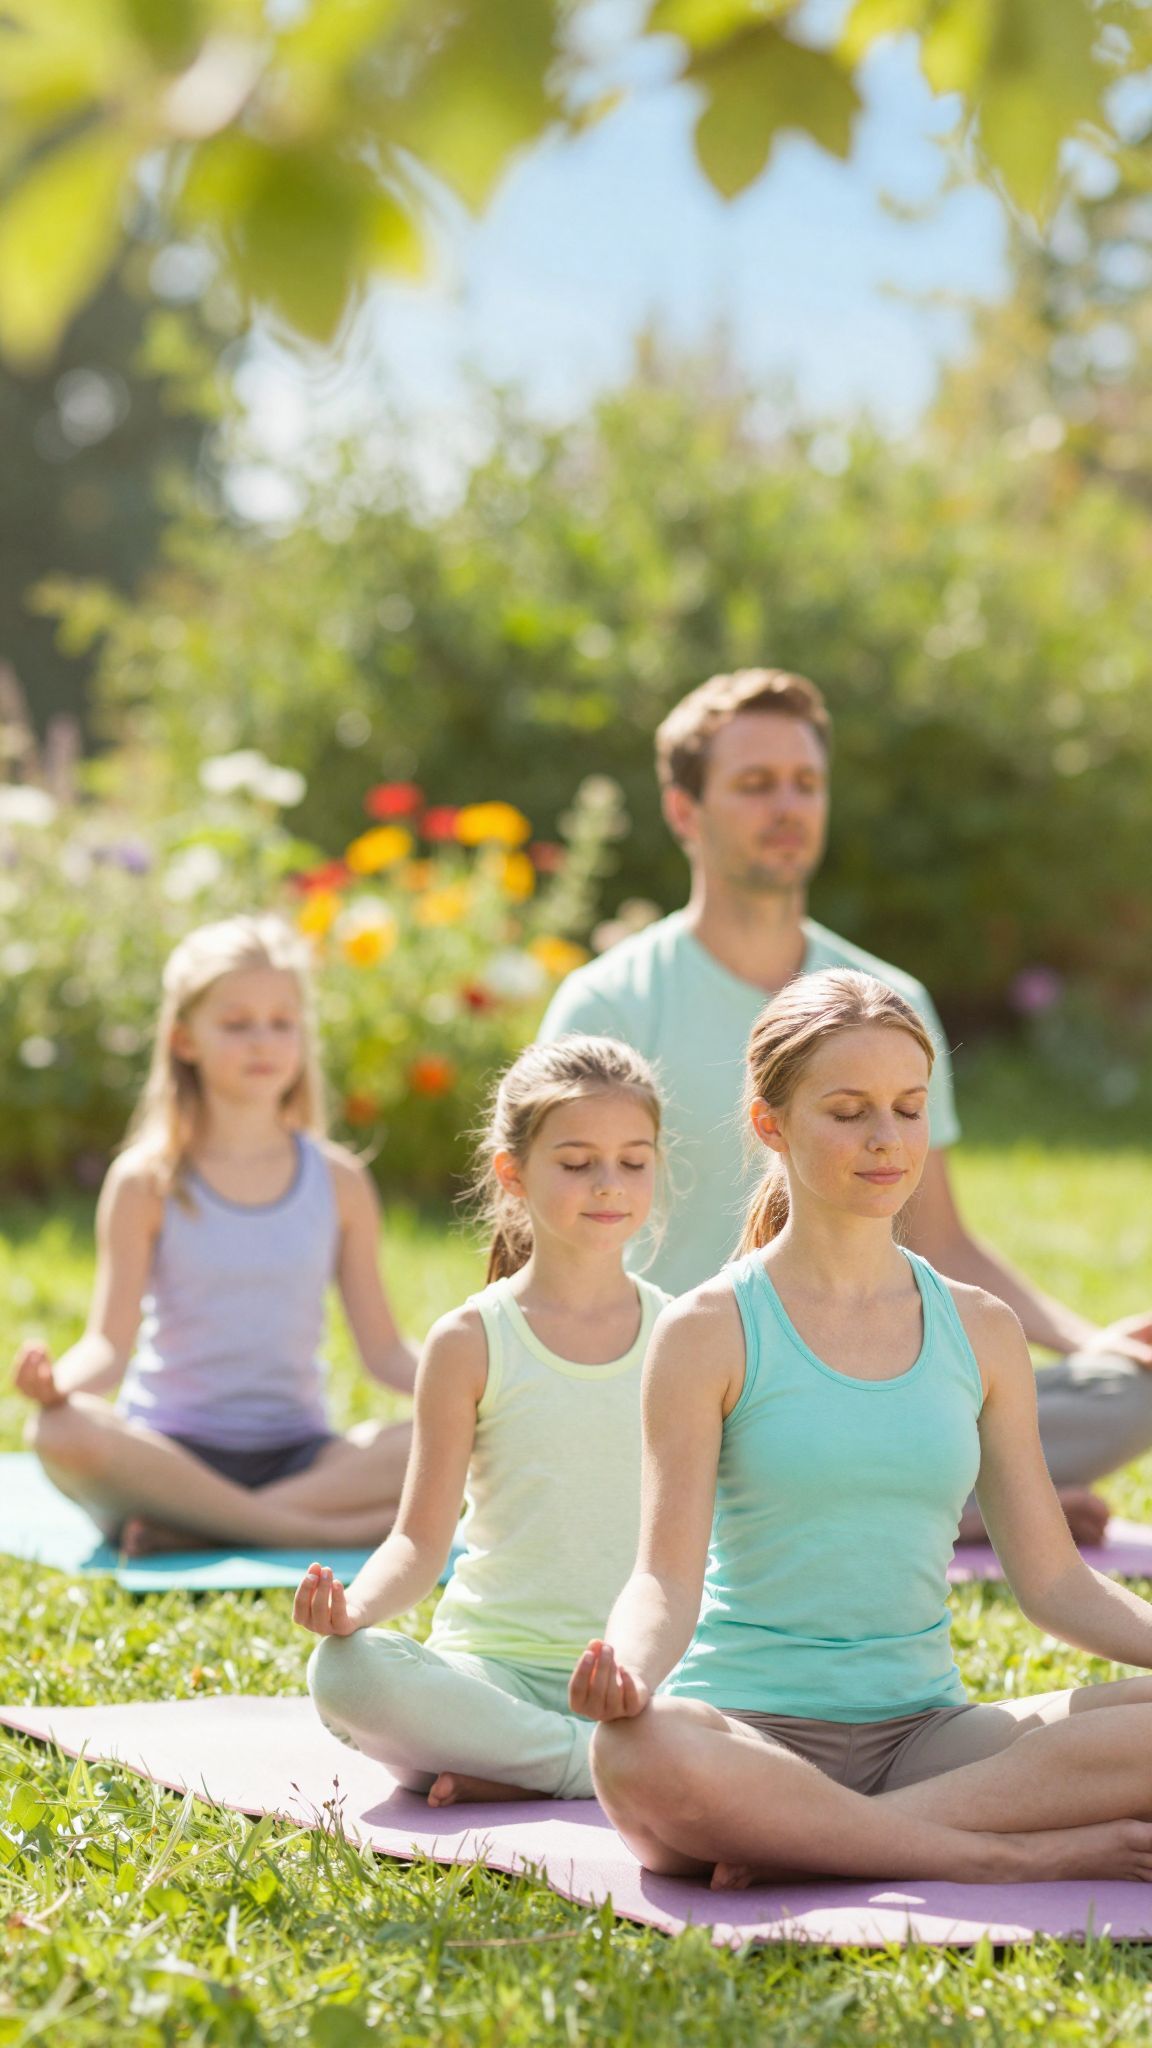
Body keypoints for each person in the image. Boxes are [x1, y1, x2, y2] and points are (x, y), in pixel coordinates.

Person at [572, 970, 1152, 1889]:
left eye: (908, 1108)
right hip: (746, 1734)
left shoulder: (981, 1329)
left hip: (928, 1737)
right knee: (638, 1753)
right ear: (772, 1124)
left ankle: (807, 1843)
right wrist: (630, 1669)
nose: (887, 1139)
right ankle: (1003, 1854)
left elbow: (1054, 1585)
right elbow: (661, 1578)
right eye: (848, 1111)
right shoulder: (708, 1329)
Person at [542, 667, 1152, 1541]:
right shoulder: (607, 1005)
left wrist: (1088, 1340)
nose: (786, 806)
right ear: (685, 811)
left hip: (871, 1379)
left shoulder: (886, 1000)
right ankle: (936, 1503)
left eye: (805, 783)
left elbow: (940, 1238)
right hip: (685, 1397)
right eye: (754, 785)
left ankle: (909, 1496)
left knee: (1133, 1393)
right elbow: (556, 1255)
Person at [295, 1035, 670, 1805]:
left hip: (640, 1675)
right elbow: (417, 1539)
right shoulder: (471, 1340)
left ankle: (514, 1768)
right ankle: (592, 1767)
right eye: (577, 1163)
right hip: (489, 1672)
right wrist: (352, 1610)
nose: (609, 1185)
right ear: (514, 1173)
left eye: (633, 1161)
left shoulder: (687, 1333)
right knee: (345, 1673)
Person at [13, 914, 418, 1556]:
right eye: (236, 1024)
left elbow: (385, 1354)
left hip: (303, 1458)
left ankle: (202, 1527)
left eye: (282, 1022)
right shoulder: (146, 1180)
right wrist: (58, 1385)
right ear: (183, 1040)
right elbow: (107, 1346)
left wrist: (479, 1385)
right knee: (60, 1432)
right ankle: (308, 1533)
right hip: (169, 1455)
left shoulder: (340, 1182)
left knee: (454, 1434)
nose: (263, 1041)